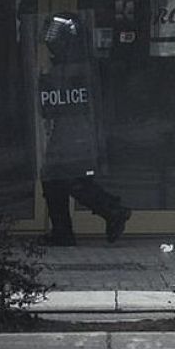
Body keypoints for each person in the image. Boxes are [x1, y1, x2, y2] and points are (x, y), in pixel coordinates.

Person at [38, 12, 130, 246]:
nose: (52, 46)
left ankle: (108, 211)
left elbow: (52, 107)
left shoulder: (74, 69)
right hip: (74, 129)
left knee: (60, 176)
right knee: (60, 177)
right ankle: (74, 226)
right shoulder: (86, 65)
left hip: (74, 130)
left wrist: (45, 83)